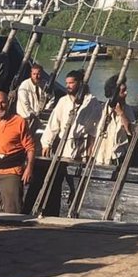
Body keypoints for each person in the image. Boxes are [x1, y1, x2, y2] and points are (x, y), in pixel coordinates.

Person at [38, 69, 101, 215]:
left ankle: (74, 211)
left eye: (71, 83)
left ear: (80, 83)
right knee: (55, 180)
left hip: (80, 147)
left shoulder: (91, 101)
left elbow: (94, 129)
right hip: (63, 147)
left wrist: (90, 153)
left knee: (76, 183)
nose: (68, 86)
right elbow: (54, 123)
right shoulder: (63, 101)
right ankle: (51, 211)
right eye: (67, 83)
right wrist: (46, 143)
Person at [0, 91, 35, 214]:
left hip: (12, 172)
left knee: (12, 209)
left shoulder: (19, 121)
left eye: (3, 102)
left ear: (8, 103)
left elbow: (30, 147)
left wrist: (29, 168)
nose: (0, 106)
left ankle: (13, 232)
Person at [95, 75, 135, 165]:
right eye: (123, 91)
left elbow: (131, 131)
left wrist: (121, 114)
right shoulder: (101, 109)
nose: (126, 93)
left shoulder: (127, 110)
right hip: (100, 157)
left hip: (118, 157)